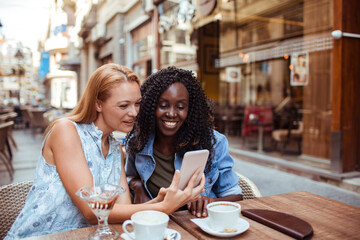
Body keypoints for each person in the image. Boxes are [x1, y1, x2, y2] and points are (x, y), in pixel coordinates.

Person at [5, 64, 204, 239]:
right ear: (98, 104)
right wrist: (163, 208)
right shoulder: (66, 131)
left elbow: (122, 211)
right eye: (124, 105)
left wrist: (160, 200)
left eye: (137, 104)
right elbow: (92, 210)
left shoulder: (116, 148)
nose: (134, 113)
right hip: (42, 236)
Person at [125, 66, 242, 218]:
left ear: (191, 109)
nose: (172, 114)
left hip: (197, 226)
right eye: (163, 105)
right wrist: (138, 186)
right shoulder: (139, 139)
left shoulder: (213, 143)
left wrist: (211, 202)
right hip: (156, 223)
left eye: (180, 107)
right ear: (151, 106)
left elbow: (235, 195)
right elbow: (128, 177)